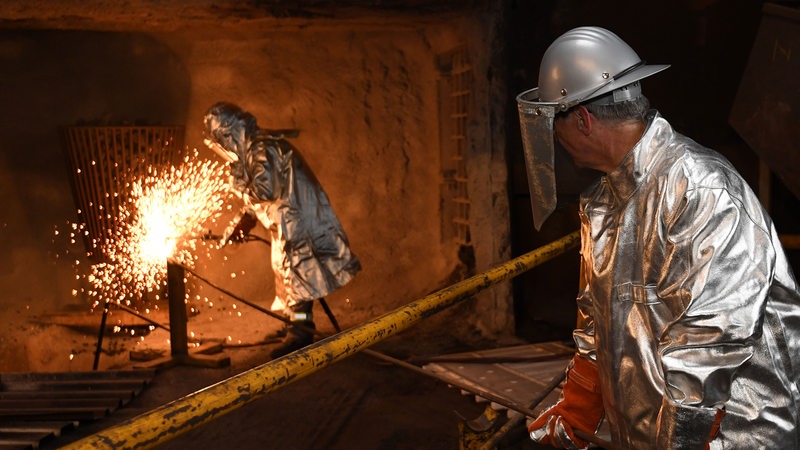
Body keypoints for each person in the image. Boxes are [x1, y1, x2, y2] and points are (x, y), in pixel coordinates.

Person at [516, 26, 800, 449]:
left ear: (583, 120)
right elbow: (597, 317)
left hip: (730, 437)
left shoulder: (702, 190)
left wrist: (679, 442)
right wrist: (580, 402)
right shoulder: (603, 201)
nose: (555, 142)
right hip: (650, 436)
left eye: (554, 124)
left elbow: (709, 343)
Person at [203, 102, 361, 359]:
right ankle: (293, 324)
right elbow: (259, 196)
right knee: (284, 272)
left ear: (230, 133)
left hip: (297, 221)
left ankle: (300, 331)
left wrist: (239, 185)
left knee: (298, 277)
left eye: (222, 139)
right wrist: (245, 218)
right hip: (284, 222)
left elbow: (265, 190)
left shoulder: (264, 149)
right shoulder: (256, 149)